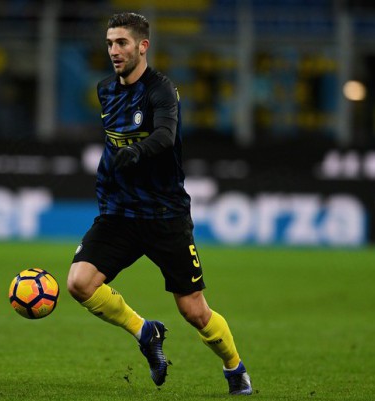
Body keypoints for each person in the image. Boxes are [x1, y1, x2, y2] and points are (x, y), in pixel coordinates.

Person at [66, 12, 253, 395]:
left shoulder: (161, 90)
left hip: (165, 216)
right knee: (79, 283)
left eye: (121, 43)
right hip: (119, 214)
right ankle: (145, 331)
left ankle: (234, 368)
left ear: (142, 46)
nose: (114, 51)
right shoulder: (105, 90)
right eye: (109, 43)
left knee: (193, 310)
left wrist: (135, 153)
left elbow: (166, 136)